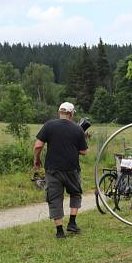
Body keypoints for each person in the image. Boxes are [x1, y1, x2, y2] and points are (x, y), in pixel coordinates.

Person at [33, 102, 89, 239]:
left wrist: (36, 159)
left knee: (54, 198)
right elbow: (84, 151)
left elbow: (38, 146)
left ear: (60, 113)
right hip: (72, 168)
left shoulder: (49, 125)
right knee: (75, 193)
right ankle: (72, 223)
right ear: (71, 114)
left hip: (52, 169)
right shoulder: (77, 129)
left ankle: (59, 231)